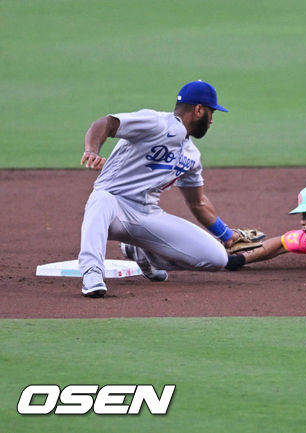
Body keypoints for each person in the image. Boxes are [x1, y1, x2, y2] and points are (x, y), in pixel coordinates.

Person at [79, 80, 246, 297]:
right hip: (112, 207)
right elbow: (106, 123)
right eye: (211, 113)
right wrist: (92, 150)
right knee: (101, 198)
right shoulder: (156, 123)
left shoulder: (192, 156)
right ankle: (92, 271)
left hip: (147, 215)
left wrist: (226, 234)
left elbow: (197, 202)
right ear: (198, 110)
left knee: (217, 259)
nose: (212, 120)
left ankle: (141, 253)